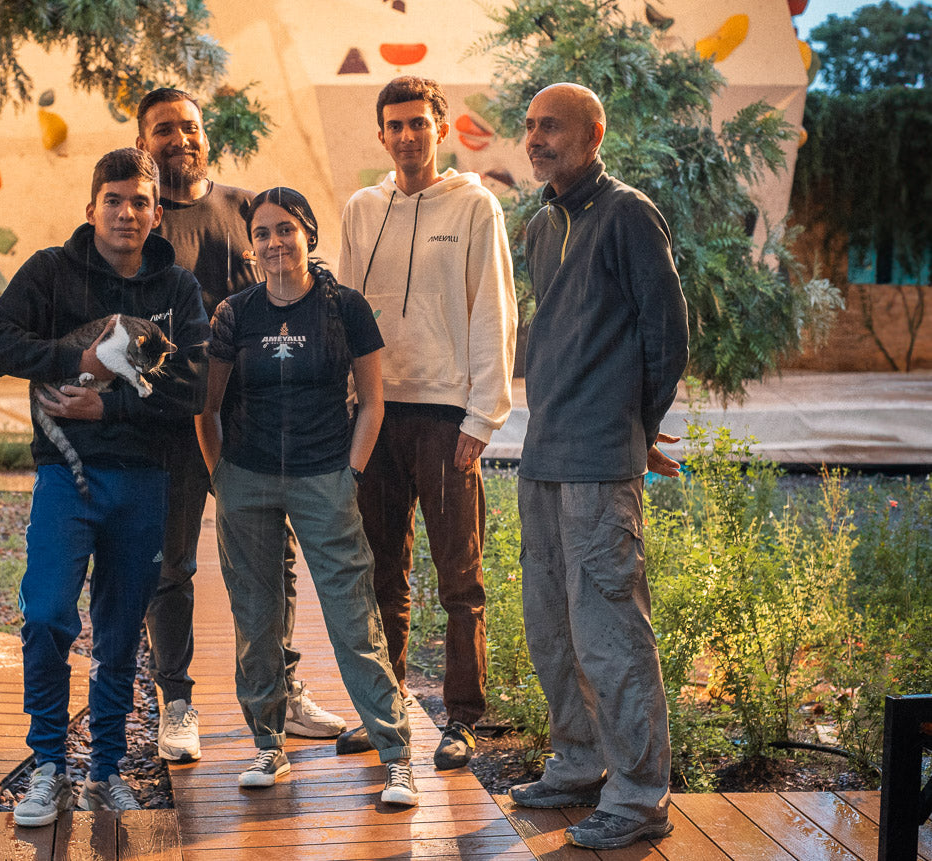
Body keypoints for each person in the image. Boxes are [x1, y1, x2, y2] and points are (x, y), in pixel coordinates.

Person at [0, 148, 208, 827]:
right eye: (114, 200)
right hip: (65, 476)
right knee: (47, 613)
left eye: (140, 202)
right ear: (92, 207)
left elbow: (193, 386)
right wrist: (74, 358)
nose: (127, 212)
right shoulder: (51, 271)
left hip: (144, 479)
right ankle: (48, 765)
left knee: (120, 633)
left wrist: (110, 405)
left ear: (157, 214)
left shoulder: (177, 288)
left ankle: (104, 770)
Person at [135, 87, 345, 763]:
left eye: (190, 126)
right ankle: (176, 702)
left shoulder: (246, 209)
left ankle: (283, 689)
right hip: (170, 422)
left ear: (205, 134)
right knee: (171, 563)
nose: (181, 138)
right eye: (164, 129)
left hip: (253, 421)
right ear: (143, 142)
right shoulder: (141, 219)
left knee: (272, 559)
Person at [507, 82, 688, 851]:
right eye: (530, 126)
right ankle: (579, 763)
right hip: (542, 456)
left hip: (597, 461)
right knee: (551, 627)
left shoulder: (627, 215)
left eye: (551, 125)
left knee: (611, 629)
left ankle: (640, 795)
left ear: (593, 133)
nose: (536, 137)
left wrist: (633, 428)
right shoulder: (543, 225)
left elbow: (667, 333)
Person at [195, 186, 417, 805]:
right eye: (262, 233)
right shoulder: (235, 314)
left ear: (309, 234)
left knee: (353, 617)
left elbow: (372, 402)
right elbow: (207, 407)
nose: (274, 243)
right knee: (256, 618)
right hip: (246, 478)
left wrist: (351, 473)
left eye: (286, 229)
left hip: (325, 478)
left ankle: (396, 754)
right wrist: (221, 476)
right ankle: (268, 746)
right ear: (251, 245)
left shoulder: (345, 308)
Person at [337, 75, 518, 770]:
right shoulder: (362, 209)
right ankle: (385, 712)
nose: (408, 135)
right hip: (376, 414)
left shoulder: (474, 206)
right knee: (381, 573)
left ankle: (462, 718)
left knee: (459, 579)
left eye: (419, 122)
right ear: (381, 135)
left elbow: (494, 311)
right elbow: (347, 311)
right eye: (396, 124)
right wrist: (345, 404)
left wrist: (483, 415)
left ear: (439, 128)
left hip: (447, 418)